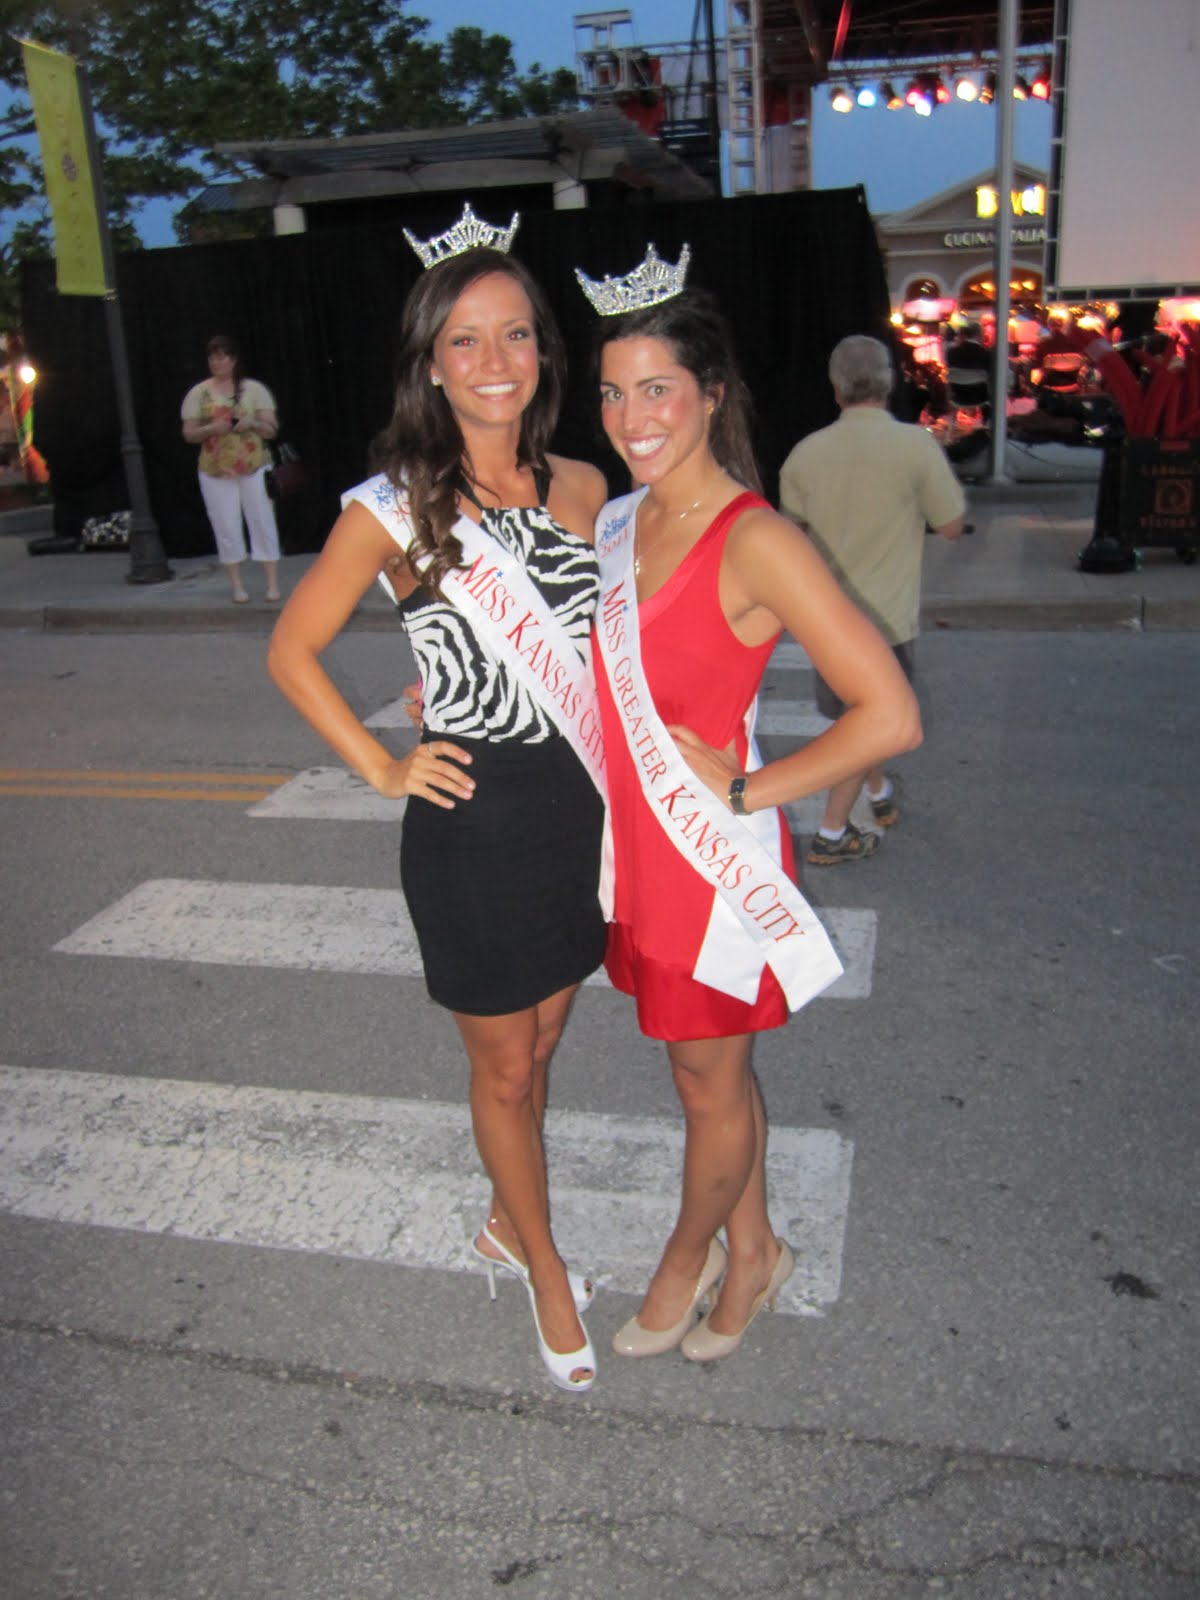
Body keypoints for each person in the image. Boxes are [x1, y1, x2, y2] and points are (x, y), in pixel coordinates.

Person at [267, 205, 608, 1394]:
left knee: (551, 1028)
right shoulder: (394, 503)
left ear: (543, 352)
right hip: (469, 820)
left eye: (516, 335)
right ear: (429, 361)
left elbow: (602, 641)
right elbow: (291, 649)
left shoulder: (582, 485)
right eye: (465, 341)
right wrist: (380, 762)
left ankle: (511, 1214)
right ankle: (543, 1262)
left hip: (577, 807)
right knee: (504, 1066)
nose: (496, 362)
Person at [577, 246, 922, 1362]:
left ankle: (689, 1258)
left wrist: (749, 786)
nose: (633, 416)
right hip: (639, 852)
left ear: (712, 392)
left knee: (704, 1078)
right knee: (711, 1072)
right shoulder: (619, 522)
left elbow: (888, 713)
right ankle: (759, 1246)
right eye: (615, 392)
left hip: (709, 862)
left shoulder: (757, 538)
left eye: (659, 389)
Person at [778, 334, 965, 865]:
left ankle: (879, 797)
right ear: (890, 382)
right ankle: (832, 834)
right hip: (886, 620)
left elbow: (790, 530)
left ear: (835, 388)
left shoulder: (805, 454)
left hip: (825, 621)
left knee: (852, 718)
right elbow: (951, 525)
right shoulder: (915, 447)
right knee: (872, 722)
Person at [181, 335, 282, 603]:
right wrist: (210, 429)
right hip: (216, 470)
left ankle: (271, 583)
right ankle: (237, 585)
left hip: (253, 466)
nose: (217, 362)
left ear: (234, 360)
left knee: (262, 521)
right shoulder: (199, 393)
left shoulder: (254, 390)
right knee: (226, 526)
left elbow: (271, 430)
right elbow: (189, 433)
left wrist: (251, 423)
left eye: (222, 356)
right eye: (212, 357)